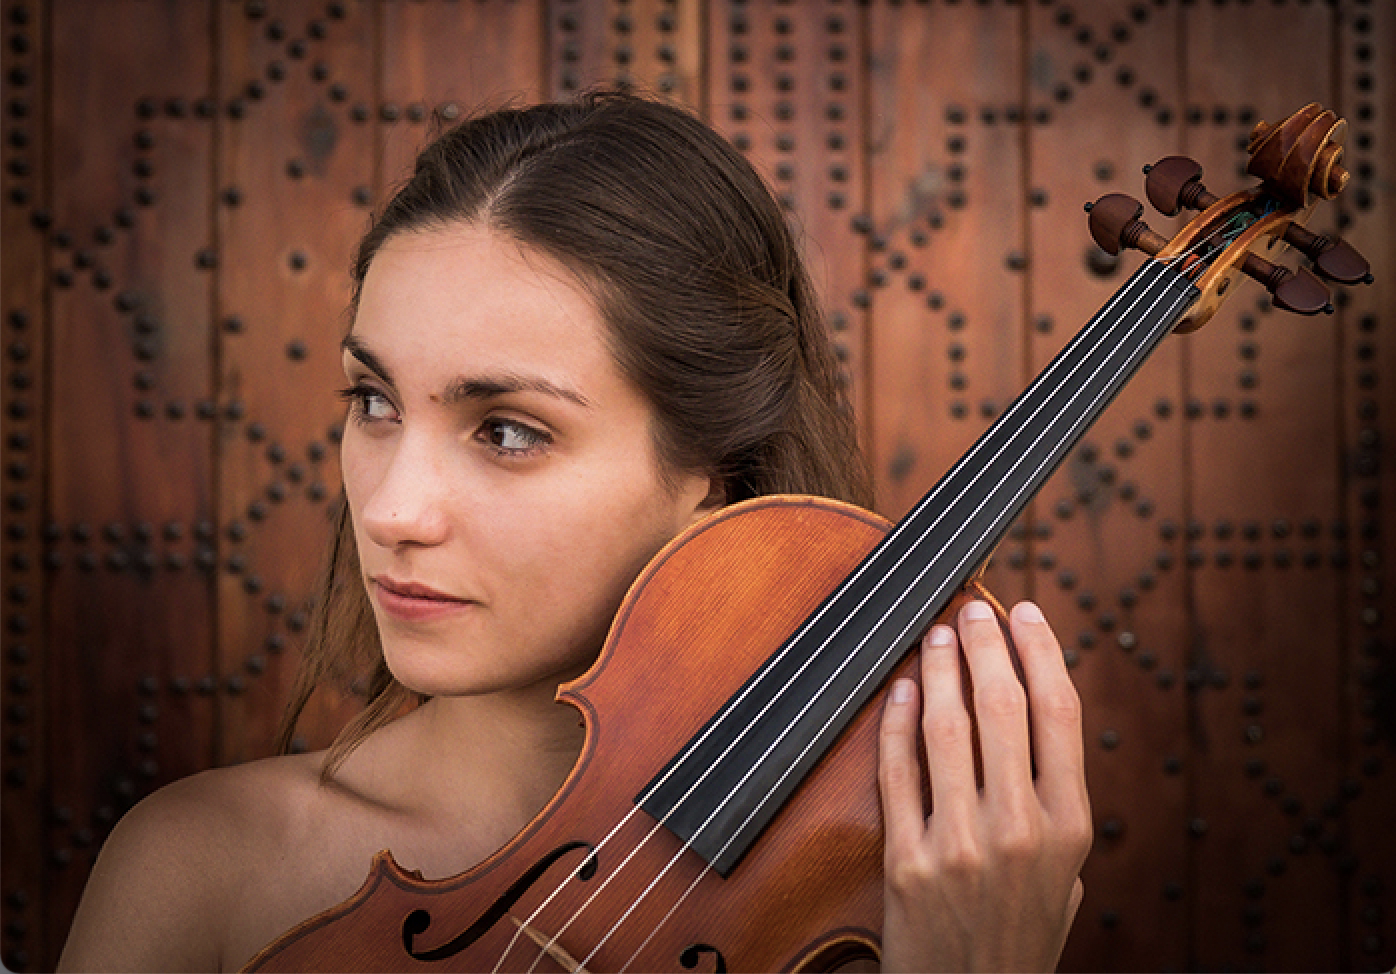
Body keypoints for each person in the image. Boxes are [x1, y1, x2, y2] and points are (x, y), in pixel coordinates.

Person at [58, 91, 1091, 973]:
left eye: (506, 429)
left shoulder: (908, 888)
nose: (389, 510)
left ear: (710, 469)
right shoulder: (201, 870)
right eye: (374, 400)